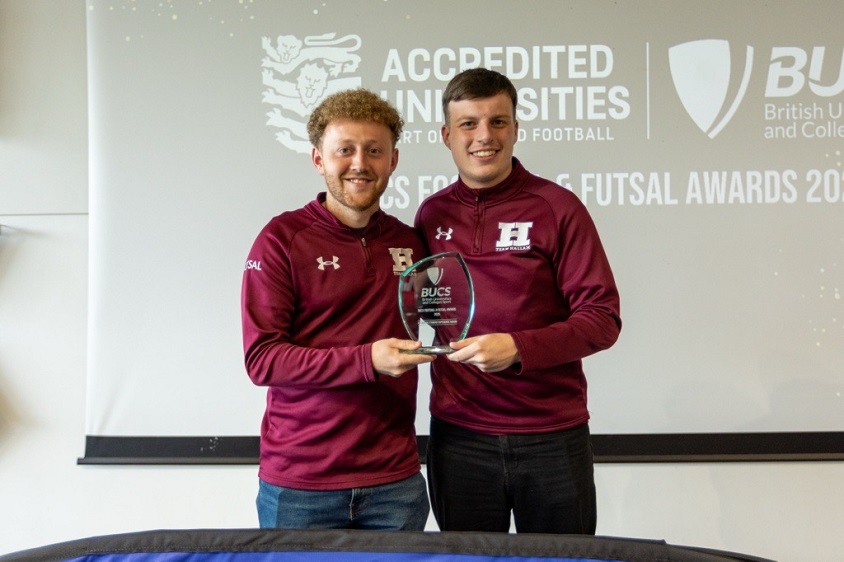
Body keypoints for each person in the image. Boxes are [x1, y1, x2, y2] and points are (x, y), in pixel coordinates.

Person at [414, 68, 622, 534]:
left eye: (498, 122)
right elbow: (427, 311)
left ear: (515, 128)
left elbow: (602, 318)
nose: (484, 136)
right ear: (447, 135)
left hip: (551, 436)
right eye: (468, 124)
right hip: (459, 436)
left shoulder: (557, 207)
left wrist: (519, 348)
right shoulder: (432, 214)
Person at [241, 88, 433, 530]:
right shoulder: (281, 240)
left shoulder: (410, 243)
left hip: (395, 482)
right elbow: (262, 360)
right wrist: (367, 360)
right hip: (301, 485)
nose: (360, 163)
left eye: (374, 150)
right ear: (318, 159)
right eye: (344, 150)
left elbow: (447, 318)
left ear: (393, 161)